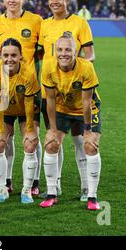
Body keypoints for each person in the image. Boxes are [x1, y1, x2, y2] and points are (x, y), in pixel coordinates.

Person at [38, 0, 96, 201]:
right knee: (54, 138)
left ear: (67, 0)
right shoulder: (43, 25)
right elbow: (39, 56)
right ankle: (56, 187)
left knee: (80, 141)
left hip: (75, 93)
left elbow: (90, 54)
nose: (54, 1)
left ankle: (85, 188)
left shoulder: (80, 23)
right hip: (50, 93)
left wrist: (73, 71)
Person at [40, 32, 102, 211]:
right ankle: (52, 193)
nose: (63, 53)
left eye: (68, 50)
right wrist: (52, 129)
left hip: (87, 109)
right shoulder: (48, 67)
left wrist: (88, 130)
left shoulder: (86, 68)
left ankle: (92, 196)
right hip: (62, 108)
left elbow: (86, 102)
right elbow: (50, 100)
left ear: (76, 52)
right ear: (55, 51)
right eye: (59, 49)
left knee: (90, 145)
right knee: (51, 144)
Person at [0, 0, 43, 195]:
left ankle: (35, 181)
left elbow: (45, 49)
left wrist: (31, 64)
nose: (12, 0)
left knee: (32, 137)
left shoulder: (35, 20)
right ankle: (8, 180)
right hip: (5, 88)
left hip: (29, 87)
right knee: (5, 137)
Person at [0, 38, 40, 204]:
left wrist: (30, 129)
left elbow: (29, 103)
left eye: (13, 55)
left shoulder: (28, 73)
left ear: (21, 56)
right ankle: (2, 189)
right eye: (5, 55)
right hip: (3, 110)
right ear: (0, 56)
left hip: (26, 111)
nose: (9, 59)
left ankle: (27, 190)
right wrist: (2, 130)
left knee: (30, 143)